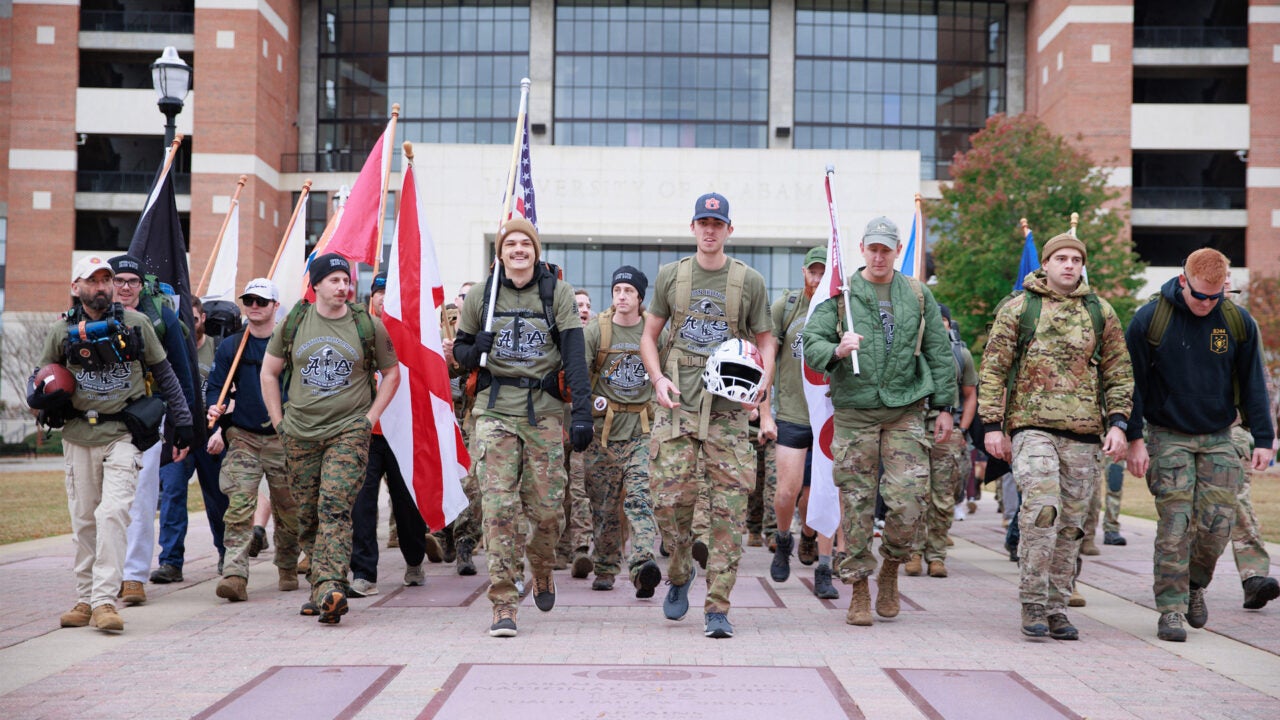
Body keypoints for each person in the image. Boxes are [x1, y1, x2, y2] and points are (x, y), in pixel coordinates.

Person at [801, 216, 956, 628]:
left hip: (905, 409)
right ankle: (857, 588)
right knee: (855, 505)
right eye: (873, 248)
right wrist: (837, 349)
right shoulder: (841, 296)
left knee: (909, 501)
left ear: (897, 250)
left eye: (886, 249)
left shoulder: (917, 295)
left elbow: (940, 354)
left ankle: (890, 568)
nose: (879, 255)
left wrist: (945, 407)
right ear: (862, 249)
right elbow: (810, 344)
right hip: (855, 412)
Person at [980, 233, 1133, 641]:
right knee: (1043, 508)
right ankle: (1032, 601)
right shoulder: (1020, 308)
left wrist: (1119, 424)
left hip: (1084, 434)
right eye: (1061, 258)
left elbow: (1119, 373)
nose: (1069, 265)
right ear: (1045, 263)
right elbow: (993, 368)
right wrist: (992, 426)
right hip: (1032, 429)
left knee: (1072, 526)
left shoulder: (1101, 312)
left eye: (1076, 259)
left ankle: (1057, 606)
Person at [639, 192, 774, 640]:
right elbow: (649, 336)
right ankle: (679, 571)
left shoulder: (748, 281)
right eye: (703, 222)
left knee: (729, 514)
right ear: (693, 227)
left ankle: (718, 607)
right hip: (678, 408)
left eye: (718, 223)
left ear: (729, 230)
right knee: (667, 503)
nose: (710, 230)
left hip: (728, 413)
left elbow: (766, 340)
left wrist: (762, 386)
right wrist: (657, 379)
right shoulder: (671, 277)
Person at [36, 256, 193, 632]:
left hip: (123, 434)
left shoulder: (137, 324)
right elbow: (41, 379)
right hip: (77, 437)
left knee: (113, 514)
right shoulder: (61, 331)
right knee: (85, 521)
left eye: (107, 279)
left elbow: (165, 373)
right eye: (94, 280)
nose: (103, 286)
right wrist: (44, 404)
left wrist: (183, 420)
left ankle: (105, 601)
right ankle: (84, 598)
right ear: (77, 287)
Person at [452, 219, 594, 638]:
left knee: (548, 511)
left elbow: (574, 355)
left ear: (535, 250)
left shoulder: (557, 293)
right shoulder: (483, 294)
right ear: (500, 252)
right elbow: (460, 350)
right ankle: (503, 602)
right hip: (494, 413)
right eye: (510, 243)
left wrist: (582, 412)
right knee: (498, 511)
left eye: (525, 244)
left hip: (545, 413)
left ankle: (543, 564)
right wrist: (472, 348)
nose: (518, 249)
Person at [1126, 248, 1274, 641]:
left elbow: (1254, 383)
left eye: (1215, 297)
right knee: (1176, 525)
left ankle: (1194, 586)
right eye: (1199, 296)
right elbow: (1131, 386)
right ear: (1182, 282)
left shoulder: (1237, 321)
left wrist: (1264, 438)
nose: (1207, 304)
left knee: (1218, 524)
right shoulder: (1149, 320)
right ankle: (1171, 609)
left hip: (1219, 435)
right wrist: (1133, 439)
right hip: (1167, 433)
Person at [261, 254, 400, 624]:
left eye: (346, 280)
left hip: (347, 433)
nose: (342, 287)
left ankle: (331, 586)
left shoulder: (367, 325)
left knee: (334, 508)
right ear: (317, 285)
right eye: (334, 280)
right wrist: (280, 423)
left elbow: (392, 374)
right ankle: (318, 587)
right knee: (306, 515)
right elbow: (269, 373)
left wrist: (367, 420)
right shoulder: (293, 323)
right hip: (300, 433)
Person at [108, 254, 197, 606]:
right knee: (103, 504)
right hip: (97, 418)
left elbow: (180, 369)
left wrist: (182, 424)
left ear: (141, 285)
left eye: (132, 281)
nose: (125, 287)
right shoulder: (86, 314)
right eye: (118, 280)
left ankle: (132, 576)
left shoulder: (161, 316)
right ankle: (105, 572)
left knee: (142, 499)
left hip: (146, 415)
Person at [205, 278, 301, 602]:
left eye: (262, 301)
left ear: (275, 306)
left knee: (289, 510)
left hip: (282, 438)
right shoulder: (232, 346)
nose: (254, 306)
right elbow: (215, 387)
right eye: (249, 301)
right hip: (243, 437)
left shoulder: (290, 345)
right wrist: (214, 408)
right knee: (239, 505)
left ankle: (287, 565)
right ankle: (234, 574)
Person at [581, 266, 663, 596]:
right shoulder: (596, 332)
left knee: (640, 499)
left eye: (629, 291)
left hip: (642, 431)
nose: (622, 296)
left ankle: (643, 565)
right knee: (603, 507)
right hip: (603, 435)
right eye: (617, 291)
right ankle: (604, 566)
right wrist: (581, 417)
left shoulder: (652, 331)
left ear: (640, 297)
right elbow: (577, 377)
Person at [349, 272, 431, 596]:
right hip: (366, 431)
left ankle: (414, 560)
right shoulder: (358, 329)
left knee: (406, 506)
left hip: (401, 431)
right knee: (363, 504)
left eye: (390, 292)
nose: (385, 297)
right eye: (380, 291)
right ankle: (364, 572)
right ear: (371, 296)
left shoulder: (413, 331)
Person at [767, 246, 839, 599]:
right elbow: (767, 357)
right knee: (786, 492)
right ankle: (784, 539)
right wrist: (764, 410)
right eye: (813, 272)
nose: (817, 279)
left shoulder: (842, 312)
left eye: (824, 272)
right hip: (793, 412)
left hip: (828, 416)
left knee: (824, 492)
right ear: (803, 273)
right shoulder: (787, 307)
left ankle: (824, 566)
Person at [152, 296, 231, 583]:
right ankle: (171, 561)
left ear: (203, 319)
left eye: (194, 320)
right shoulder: (171, 349)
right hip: (178, 432)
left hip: (211, 433)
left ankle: (226, 553)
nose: (190, 326)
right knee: (172, 492)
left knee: (218, 497)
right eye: (184, 321)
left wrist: (222, 430)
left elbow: (230, 394)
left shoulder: (218, 350)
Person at [906, 304, 977, 579]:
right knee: (912, 493)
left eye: (943, 320)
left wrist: (963, 428)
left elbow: (971, 394)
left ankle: (936, 556)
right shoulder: (909, 352)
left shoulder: (960, 354)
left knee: (943, 496)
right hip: (912, 427)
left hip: (946, 430)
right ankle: (913, 552)